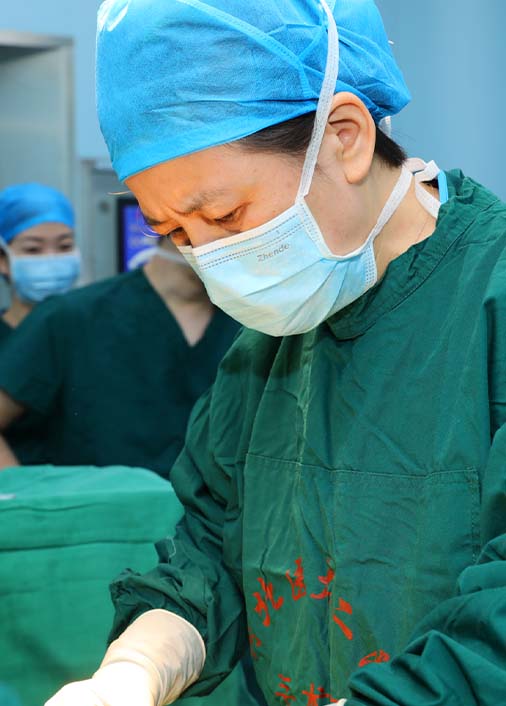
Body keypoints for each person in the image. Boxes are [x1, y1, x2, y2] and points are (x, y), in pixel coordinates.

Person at [46, 1, 506, 705]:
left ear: (345, 138)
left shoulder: (488, 301)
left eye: (225, 215)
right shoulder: (270, 341)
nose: (211, 256)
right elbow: (210, 549)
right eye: (175, 233)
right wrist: (134, 671)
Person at [0, 236, 239, 472]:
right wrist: (22, 494)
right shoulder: (69, 318)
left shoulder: (250, 322)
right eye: (226, 218)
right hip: (97, 498)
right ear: (165, 220)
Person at [0, 182, 80, 337]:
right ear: (2, 260)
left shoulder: (95, 334)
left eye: (64, 246)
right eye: (33, 249)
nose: (52, 261)